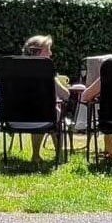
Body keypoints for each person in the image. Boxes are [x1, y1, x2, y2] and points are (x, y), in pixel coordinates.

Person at [21, 35, 70, 164]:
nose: (51, 53)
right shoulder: (45, 70)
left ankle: (36, 155)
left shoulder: (13, 69)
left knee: (42, 112)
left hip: (14, 118)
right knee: (51, 112)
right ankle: (59, 156)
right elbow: (65, 95)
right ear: (37, 51)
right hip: (43, 116)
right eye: (48, 49)